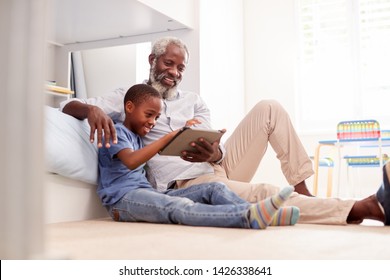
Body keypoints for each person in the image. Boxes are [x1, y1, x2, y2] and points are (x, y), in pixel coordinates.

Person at [61, 36, 389, 226]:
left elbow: (216, 146)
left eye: (180, 68)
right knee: (262, 193)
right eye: (168, 64)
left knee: (269, 107)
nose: (174, 72)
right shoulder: (128, 96)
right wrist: (90, 110)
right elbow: (68, 106)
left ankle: (303, 190)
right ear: (152, 60)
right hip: (187, 181)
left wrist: (215, 151)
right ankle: (361, 208)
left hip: (218, 164)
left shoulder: (194, 101)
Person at [97, 83, 300, 229]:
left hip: (148, 194)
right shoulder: (115, 131)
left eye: (156, 117)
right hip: (122, 202)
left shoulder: (138, 137)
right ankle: (246, 216)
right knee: (180, 207)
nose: (152, 122)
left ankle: (265, 214)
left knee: (214, 188)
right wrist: (170, 136)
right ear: (129, 107)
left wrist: (186, 135)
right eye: (149, 114)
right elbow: (131, 161)